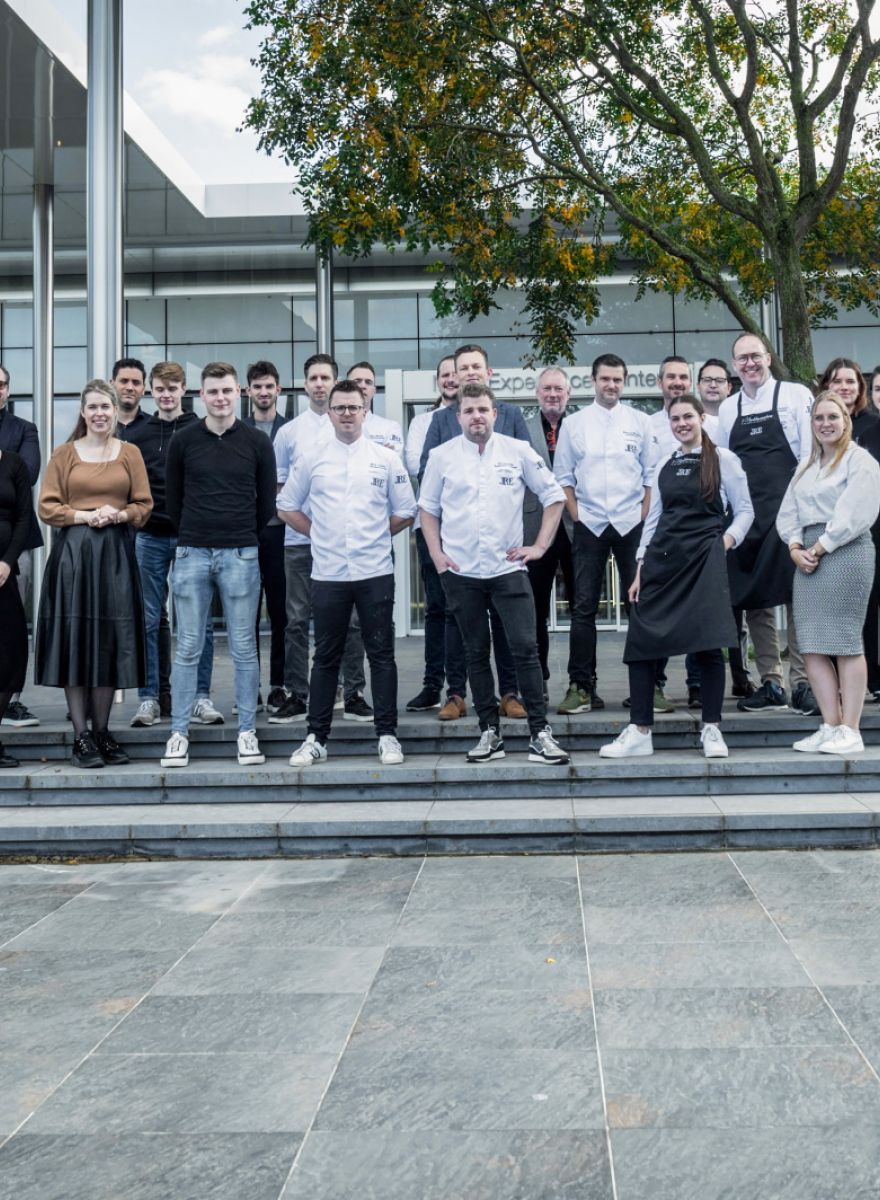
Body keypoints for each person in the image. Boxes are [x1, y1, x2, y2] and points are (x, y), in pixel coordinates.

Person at [420, 383, 570, 764]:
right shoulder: (441, 456)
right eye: (469, 411)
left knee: (526, 650)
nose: (477, 417)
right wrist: (437, 555)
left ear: (495, 413)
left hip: (508, 568)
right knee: (475, 652)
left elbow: (554, 497)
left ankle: (540, 733)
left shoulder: (518, 451)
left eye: (483, 410)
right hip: (462, 572)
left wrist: (539, 547)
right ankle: (489, 733)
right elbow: (428, 509)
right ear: (459, 416)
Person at [600, 394, 753, 760]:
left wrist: (724, 543)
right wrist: (640, 567)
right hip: (662, 561)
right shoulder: (664, 463)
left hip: (704, 560)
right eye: (675, 418)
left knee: (707, 644)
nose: (682, 423)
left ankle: (711, 728)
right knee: (641, 643)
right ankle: (640, 731)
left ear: (701, 418)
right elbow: (653, 519)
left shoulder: (725, 460)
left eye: (688, 417)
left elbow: (746, 510)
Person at [281, 380, 416, 766]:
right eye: (339, 408)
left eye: (353, 407)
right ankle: (315, 737)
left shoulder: (385, 458)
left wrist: (376, 534)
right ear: (329, 413)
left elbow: (406, 510)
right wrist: (319, 533)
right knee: (326, 656)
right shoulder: (312, 458)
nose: (346, 414)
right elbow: (286, 505)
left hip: (375, 571)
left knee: (382, 654)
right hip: (328, 574)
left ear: (365, 410)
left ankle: (387, 735)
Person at [160, 362, 276, 769]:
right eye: (213, 391)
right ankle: (178, 733)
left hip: (240, 552)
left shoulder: (257, 442)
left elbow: (266, 502)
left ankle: (247, 731)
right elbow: (174, 500)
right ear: (202, 395)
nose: (220, 398)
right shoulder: (184, 441)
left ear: (239, 392)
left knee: (244, 647)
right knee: (188, 646)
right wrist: (198, 532)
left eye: (227, 390)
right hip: (192, 551)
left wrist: (239, 533)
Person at [36, 380, 153, 768]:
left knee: (109, 639)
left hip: (115, 554)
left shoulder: (130, 453)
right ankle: (81, 736)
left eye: (105, 407)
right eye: (93, 407)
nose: (99, 413)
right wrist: (85, 516)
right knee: (76, 637)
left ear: (116, 410)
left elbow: (143, 505)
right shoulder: (65, 453)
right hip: (73, 556)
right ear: (83, 412)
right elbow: (47, 507)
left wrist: (118, 514)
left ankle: (102, 731)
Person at [419, 343, 530, 721]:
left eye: (475, 367)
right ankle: (455, 693)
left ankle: (510, 693)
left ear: (488, 372)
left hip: (503, 548)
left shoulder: (511, 415)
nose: (469, 373)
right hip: (458, 546)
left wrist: (527, 541)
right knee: (455, 620)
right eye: (462, 368)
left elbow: (529, 474)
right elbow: (427, 477)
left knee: (504, 621)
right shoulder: (441, 420)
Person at [716, 332, 815, 714]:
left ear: (768, 358)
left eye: (755, 356)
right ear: (735, 365)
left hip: (790, 513)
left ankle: (803, 683)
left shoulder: (795, 395)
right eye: (742, 358)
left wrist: (798, 512)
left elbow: (807, 456)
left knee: (797, 597)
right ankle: (771, 682)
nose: (750, 364)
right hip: (747, 518)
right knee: (756, 600)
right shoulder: (729, 408)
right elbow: (725, 466)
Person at [776, 392, 880, 754]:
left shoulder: (858, 460)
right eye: (819, 418)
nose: (825, 424)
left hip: (844, 552)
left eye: (832, 417)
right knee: (812, 644)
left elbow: (856, 512)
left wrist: (819, 547)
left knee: (846, 643)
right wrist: (794, 547)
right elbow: (788, 511)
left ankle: (851, 730)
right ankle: (831, 725)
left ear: (845, 420)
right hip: (806, 554)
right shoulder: (806, 466)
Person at [270, 353, 370, 724]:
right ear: (304, 383)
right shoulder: (289, 432)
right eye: (312, 378)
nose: (318, 384)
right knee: (296, 620)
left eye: (325, 377)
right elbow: (281, 490)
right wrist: (312, 529)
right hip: (300, 543)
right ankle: (298, 694)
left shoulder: (352, 425)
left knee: (352, 621)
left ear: (335, 381)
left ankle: (354, 692)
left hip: (346, 546)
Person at [553, 352, 653, 712]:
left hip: (631, 523)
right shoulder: (574, 424)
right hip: (590, 524)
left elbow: (650, 475)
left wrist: (642, 515)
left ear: (624, 383)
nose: (611, 385)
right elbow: (563, 476)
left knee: (639, 605)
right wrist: (576, 514)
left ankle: (648, 686)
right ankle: (581, 687)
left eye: (617, 380)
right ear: (593, 381)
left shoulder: (641, 422)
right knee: (583, 608)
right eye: (605, 379)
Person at [127, 361, 219, 728]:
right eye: (160, 389)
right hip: (149, 535)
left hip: (192, 537)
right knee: (149, 619)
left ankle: (200, 697)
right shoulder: (138, 436)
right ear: (152, 391)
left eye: (173, 388)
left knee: (199, 622)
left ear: (184, 390)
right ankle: (149, 698)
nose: (166, 395)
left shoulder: (200, 430)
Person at [404, 354, 462, 711]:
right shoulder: (422, 421)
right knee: (437, 609)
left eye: (455, 373)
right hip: (432, 526)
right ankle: (432, 685)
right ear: (438, 381)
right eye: (445, 375)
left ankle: (464, 687)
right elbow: (417, 464)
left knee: (469, 609)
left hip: (469, 527)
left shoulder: (477, 414)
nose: (450, 379)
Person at [697, 357, 756, 702]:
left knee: (737, 607)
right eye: (707, 380)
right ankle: (697, 683)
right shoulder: (691, 421)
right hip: (701, 525)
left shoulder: (736, 419)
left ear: (728, 387)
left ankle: (741, 675)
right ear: (699, 385)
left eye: (719, 380)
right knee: (701, 604)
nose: (713, 385)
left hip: (736, 521)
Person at [523, 367, 576, 693]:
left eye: (558, 389)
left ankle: (582, 681)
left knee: (580, 608)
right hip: (535, 526)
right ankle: (537, 679)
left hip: (575, 526)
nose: (553, 394)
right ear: (537, 394)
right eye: (547, 389)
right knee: (535, 609)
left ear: (568, 393)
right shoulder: (523, 429)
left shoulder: (581, 426)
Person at [244, 360, 291, 714]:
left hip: (282, 532)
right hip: (245, 533)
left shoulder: (291, 430)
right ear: (248, 391)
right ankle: (249, 689)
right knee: (245, 615)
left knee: (280, 613)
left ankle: (278, 686)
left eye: (268, 386)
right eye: (257, 386)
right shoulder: (237, 430)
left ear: (278, 390)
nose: (263, 392)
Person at [0, 363, 43, 729]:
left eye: (0, 385)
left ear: (8, 390)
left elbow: (26, 475)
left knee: (12, 624)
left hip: (15, 543)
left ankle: (11, 700)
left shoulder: (24, 429)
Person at [0, 447, 37, 766]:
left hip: (4, 573)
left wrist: (7, 562)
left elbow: (24, 517)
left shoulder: (13, 464)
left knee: (11, 653)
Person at [346, 361, 404, 453]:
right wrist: (379, 452)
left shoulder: (390, 427)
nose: (363, 386)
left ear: (374, 391)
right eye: (357, 381)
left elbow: (392, 459)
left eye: (368, 382)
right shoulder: (330, 425)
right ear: (345, 387)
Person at [818, 357, 878, 443]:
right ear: (826, 386)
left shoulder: (875, 423)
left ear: (859, 387)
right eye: (837, 381)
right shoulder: (816, 424)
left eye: (850, 381)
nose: (844, 387)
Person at [111, 357, 150, 439]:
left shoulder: (155, 427)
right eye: (124, 381)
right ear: (112, 384)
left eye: (136, 383)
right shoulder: (99, 425)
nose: (130, 387)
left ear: (143, 388)